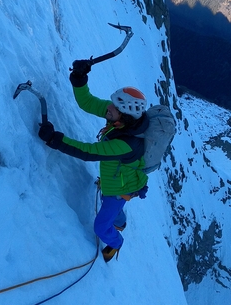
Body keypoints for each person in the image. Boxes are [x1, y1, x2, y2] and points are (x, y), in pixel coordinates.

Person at [38, 60, 149, 262]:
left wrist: (54, 139)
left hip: (119, 190)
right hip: (118, 181)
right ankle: (120, 222)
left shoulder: (126, 144)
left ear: (123, 114)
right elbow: (87, 102)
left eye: (114, 106)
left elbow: (89, 152)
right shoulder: (120, 119)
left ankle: (116, 242)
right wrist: (79, 78)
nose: (109, 107)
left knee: (100, 226)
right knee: (113, 209)